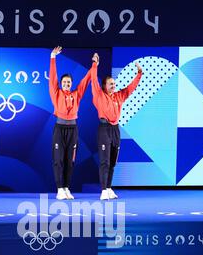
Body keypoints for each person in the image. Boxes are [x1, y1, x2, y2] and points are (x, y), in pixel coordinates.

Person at [91, 53, 143, 200]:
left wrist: (139, 73)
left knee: (113, 162)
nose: (114, 86)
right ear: (104, 86)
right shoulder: (99, 95)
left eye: (114, 84)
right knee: (104, 161)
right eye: (111, 84)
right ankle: (103, 190)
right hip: (104, 129)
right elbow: (93, 80)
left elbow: (131, 88)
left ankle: (108, 188)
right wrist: (95, 64)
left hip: (115, 130)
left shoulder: (120, 96)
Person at [49, 46, 92, 200]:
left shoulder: (76, 94)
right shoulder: (56, 93)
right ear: (61, 83)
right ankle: (60, 188)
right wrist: (53, 58)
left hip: (73, 129)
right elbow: (53, 77)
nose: (67, 84)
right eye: (64, 82)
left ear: (72, 84)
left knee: (70, 160)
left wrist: (94, 66)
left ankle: (66, 187)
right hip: (60, 129)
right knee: (58, 159)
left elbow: (86, 81)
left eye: (69, 82)